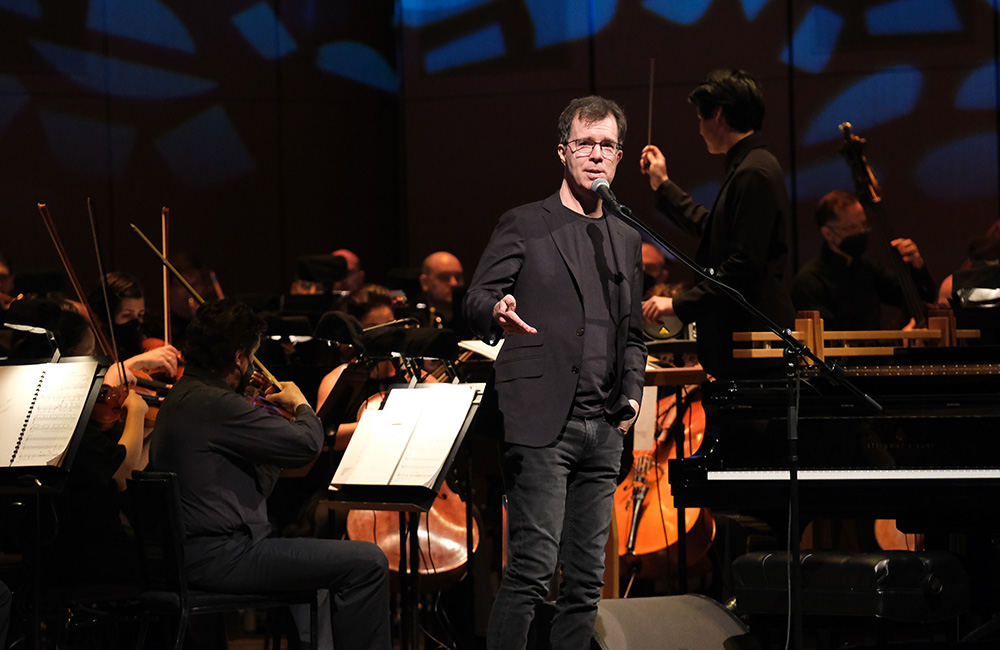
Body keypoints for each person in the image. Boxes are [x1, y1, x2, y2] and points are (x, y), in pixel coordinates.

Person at [463, 95, 645, 650]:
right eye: (585, 144)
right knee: (532, 572)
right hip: (543, 421)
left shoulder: (626, 234)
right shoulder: (525, 222)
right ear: (563, 152)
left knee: (587, 583)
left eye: (607, 145)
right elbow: (476, 297)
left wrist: (631, 398)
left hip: (604, 425)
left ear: (619, 156)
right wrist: (496, 310)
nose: (596, 156)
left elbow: (633, 332)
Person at [149, 298, 390, 650]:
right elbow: (308, 444)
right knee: (368, 562)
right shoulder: (216, 403)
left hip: (195, 555)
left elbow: (262, 470)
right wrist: (300, 403)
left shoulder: (186, 396)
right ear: (238, 357)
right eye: (252, 355)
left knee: (321, 565)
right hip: (224, 558)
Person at [639, 68, 795, 379]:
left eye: (700, 119)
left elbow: (742, 268)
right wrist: (664, 184)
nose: (699, 129)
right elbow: (715, 229)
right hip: (745, 349)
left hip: (752, 351)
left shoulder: (754, 172)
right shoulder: (750, 166)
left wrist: (678, 305)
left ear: (719, 115)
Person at [792, 190, 935, 330]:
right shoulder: (809, 282)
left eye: (863, 225)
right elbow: (834, 342)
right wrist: (900, 340)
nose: (861, 232)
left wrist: (917, 266)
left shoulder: (867, 269)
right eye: (852, 227)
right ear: (828, 233)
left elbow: (919, 299)